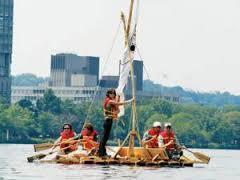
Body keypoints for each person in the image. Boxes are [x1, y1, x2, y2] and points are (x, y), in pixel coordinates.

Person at [98, 88, 134, 157]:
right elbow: (118, 103)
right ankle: (101, 153)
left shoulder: (109, 101)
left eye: (113, 93)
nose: (113, 95)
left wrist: (118, 98)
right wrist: (130, 101)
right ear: (108, 94)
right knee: (104, 137)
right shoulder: (109, 101)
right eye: (111, 93)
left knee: (105, 137)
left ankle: (102, 152)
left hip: (109, 120)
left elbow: (116, 108)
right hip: (107, 120)